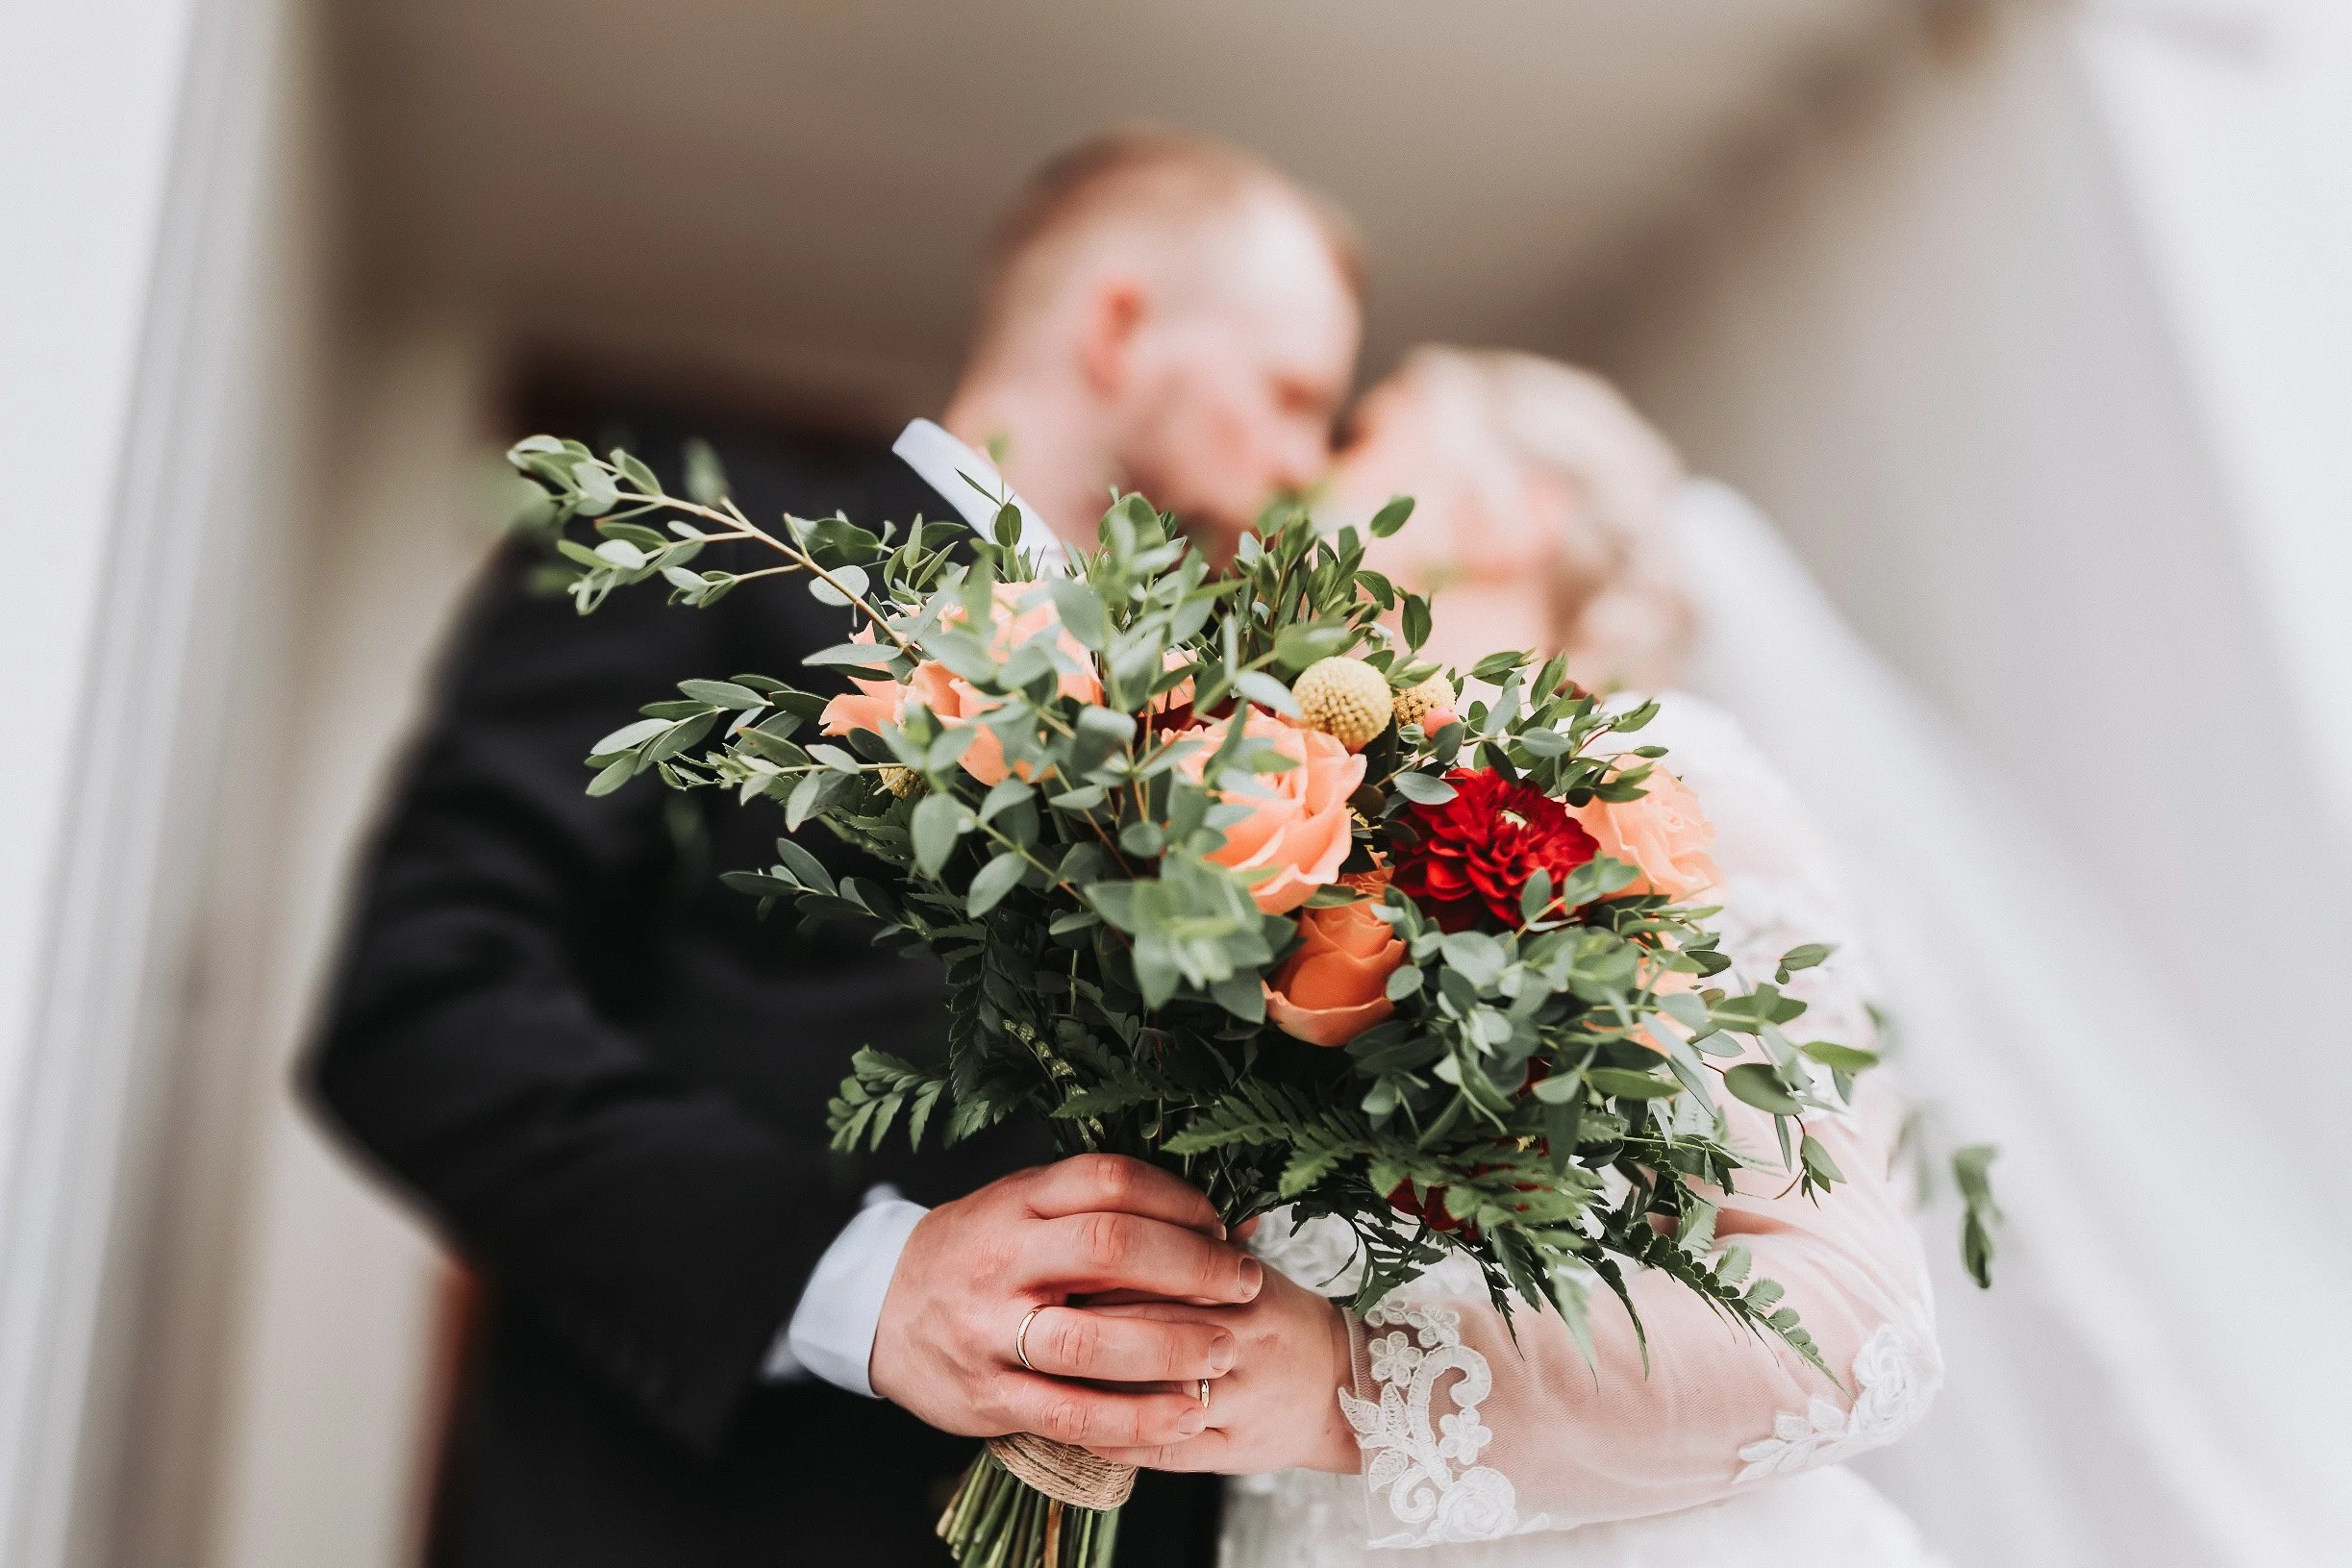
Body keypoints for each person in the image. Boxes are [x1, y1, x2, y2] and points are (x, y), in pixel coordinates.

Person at [308, 128, 1360, 1568]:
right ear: (1118, 324)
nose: (1305, 462)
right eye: (1292, 394)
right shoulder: (701, 547)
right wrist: (865, 1282)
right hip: (704, 1516)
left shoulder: (1260, 723)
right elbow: (423, 1002)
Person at [1147, 346, 1943, 1566]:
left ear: (1511, 511)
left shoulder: (1669, 788)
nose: (1296, 469)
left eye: (1362, 430)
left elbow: (1852, 1324)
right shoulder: (1294, 816)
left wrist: (1350, 1386)